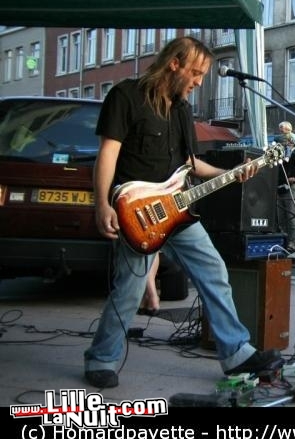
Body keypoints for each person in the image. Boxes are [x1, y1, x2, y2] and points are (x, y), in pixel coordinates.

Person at [85, 36, 283, 389]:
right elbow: (108, 153)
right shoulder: (125, 95)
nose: (199, 81)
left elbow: (189, 165)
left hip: (177, 212)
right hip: (138, 212)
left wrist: (231, 174)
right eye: (195, 72)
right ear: (174, 63)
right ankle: (102, 358)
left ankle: (236, 354)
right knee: (129, 290)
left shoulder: (181, 110)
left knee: (214, 270)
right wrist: (101, 203)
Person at [276, 132, 295, 251]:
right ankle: (284, 239)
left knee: (291, 215)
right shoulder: (277, 155)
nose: (282, 145)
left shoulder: (294, 154)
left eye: (284, 143)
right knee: (281, 216)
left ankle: (293, 241)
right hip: (279, 187)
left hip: (290, 187)